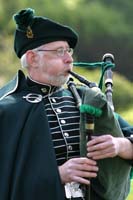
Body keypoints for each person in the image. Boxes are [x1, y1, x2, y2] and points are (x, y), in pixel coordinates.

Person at [0, 8, 132, 200]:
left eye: (68, 50)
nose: (69, 58)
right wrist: (57, 175)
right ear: (32, 58)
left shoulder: (86, 99)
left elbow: (128, 137)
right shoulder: (7, 109)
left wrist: (120, 145)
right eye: (59, 51)